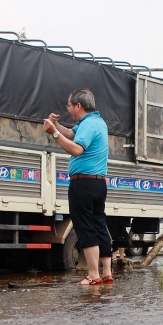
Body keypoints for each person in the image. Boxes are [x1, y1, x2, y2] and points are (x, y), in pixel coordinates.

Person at [43, 88, 112, 286]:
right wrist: (56, 125)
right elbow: (72, 135)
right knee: (99, 224)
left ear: (78, 106)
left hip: (84, 183)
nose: (68, 109)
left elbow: (76, 148)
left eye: (69, 106)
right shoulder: (96, 122)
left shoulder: (88, 125)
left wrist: (54, 133)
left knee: (85, 226)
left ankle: (92, 275)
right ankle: (106, 273)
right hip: (98, 183)